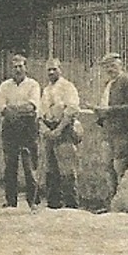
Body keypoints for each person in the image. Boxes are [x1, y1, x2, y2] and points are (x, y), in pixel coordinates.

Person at [0, 54, 42, 209]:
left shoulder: (33, 85)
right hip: (10, 128)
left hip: (28, 128)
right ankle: (11, 201)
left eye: (21, 66)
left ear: (26, 67)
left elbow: (32, 106)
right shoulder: (4, 86)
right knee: (10, 165)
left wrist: (12, 109)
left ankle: (33, 201)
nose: (18, 69)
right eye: (15, 67)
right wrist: (16, 109)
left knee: (30, 166)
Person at [93, 53, 128, 210]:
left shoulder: (127, 81)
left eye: (113, 65)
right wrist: (99, 115)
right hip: (107, 130)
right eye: (107, 66)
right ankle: (111, 202)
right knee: (107, 166)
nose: (110, 69)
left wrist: (109, 110)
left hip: (121, 129)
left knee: (120, 165)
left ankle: (121, 203)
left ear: (121, 65)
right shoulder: (108, 83)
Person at [38, 58, 81, 209]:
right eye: (48, 70)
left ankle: (71, 205)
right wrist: (45, 129)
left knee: (67, 170)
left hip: (64, 129)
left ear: (60, 69)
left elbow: (71, 110)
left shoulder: (67, 87)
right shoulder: (46, 90)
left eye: (54, 69)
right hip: (49, 130)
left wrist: (59, 129)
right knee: (50, 169)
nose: (51, 72)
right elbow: (41, 113)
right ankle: (53, 204)